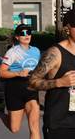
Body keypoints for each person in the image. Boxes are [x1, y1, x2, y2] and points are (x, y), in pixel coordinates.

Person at [29, 9, 75, 139]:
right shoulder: (55, 53)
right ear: (68, 28)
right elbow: (32, 81)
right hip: (60, 124)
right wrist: (60, 82)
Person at [0, 24, 41, 139]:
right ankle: (1, 114)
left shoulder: (36, 51)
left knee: (35, 127)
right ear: (17, 37)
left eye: (29, 32)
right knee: (14, 129)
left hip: (31, 89)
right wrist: (18, 73)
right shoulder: (12, 52)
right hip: (14, 89)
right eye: (22, 33)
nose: (26, 35)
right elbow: (1, 72)